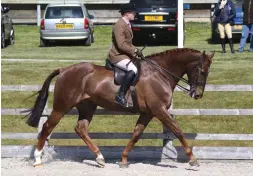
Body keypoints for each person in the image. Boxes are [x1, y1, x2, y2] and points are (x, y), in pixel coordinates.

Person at [108, 3, 143, 107]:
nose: (135, 14)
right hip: (117, 55)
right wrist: (135, 50)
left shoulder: (127, 24)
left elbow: (127, 43)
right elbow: (121, 44)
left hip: (125, 54)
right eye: (133, 13)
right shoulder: (119, 25)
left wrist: (135, 52)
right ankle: (120, 95)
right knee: (133, 69)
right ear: (127, 13)